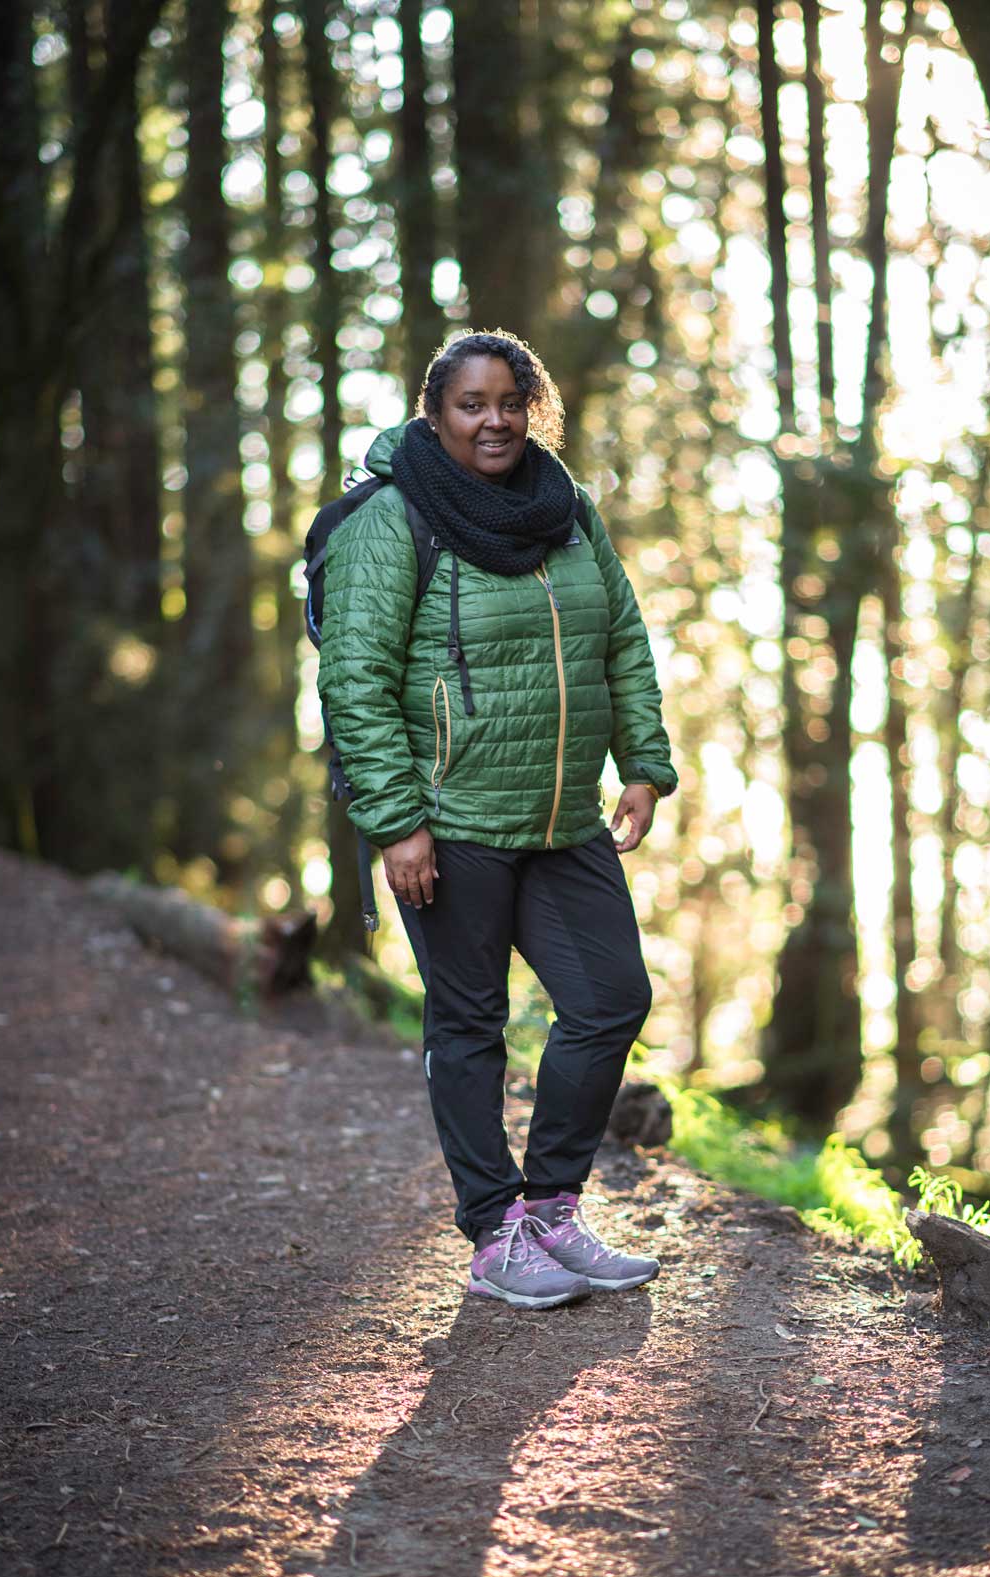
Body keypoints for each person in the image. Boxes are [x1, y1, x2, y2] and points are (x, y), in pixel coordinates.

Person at [318, 330, 677, 1309]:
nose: (495, 419)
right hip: (452, 822)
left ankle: (552, 1209)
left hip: (562, 817)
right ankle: (493, 1231)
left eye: (510, 401)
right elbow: (355, 682)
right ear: (435, 412)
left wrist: (644, 764)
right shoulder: (389, 523)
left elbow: (624, 639)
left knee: (610, 1000)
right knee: (470, 1023)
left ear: (534, 406)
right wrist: (396, 823)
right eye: (472, 403)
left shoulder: (566, 510)